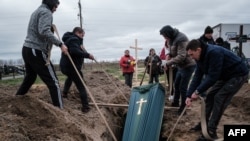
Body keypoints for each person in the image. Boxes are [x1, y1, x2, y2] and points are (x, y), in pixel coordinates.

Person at [185, 39, 248, 141]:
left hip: (238, 74)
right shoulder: (199, 58)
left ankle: (211, 131)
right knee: (210, 96)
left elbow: (212, 77)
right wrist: (188, 95)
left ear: (198, 50)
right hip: (224, 76)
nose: (191, 58)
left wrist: (197, 91)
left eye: (192, 55)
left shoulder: (214, 52)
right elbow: (197, 76)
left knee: (220, 98)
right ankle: (204, 124)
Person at [15, 0, 68, 109]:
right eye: (55, 6)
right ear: (51, 4)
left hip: (27, 49)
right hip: (36, 50)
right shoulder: (46, 12)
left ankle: (15, 101)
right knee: (54, 82)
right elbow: (43, 31)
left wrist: (50, 29)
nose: (55, 9)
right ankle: (60, 112)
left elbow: (41, 29)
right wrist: (60, 44)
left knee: (30, 77)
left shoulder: (37, 11)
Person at [160, 25, 196, 114]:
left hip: (188, 65)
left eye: (165, 36)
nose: (165, 38)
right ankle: (176, 102)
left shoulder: (181, 39)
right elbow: (172, 52)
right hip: (181, 66)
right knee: (176, 84)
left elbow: (182, 56)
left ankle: (183, 109)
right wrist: (168, 56)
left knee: (183, 87)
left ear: (169, 33)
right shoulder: (171, 39)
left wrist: (168, 63)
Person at [60, 27, 94, 113]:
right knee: (81, 85)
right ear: (78, 32)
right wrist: (88, 55)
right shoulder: (74, 39)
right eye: (83, 35)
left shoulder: (70, 40)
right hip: (71, 67)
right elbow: (75, 51)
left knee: (70, 78)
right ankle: (85, 107)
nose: (83, 37)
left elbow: (76, 50)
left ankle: (64, 93)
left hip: (65, 67)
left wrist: (82, 49)